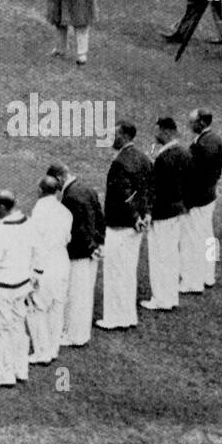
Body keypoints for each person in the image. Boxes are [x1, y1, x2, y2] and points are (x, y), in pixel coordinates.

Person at [97, 121, 153, 331]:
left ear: (123, 136)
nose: (110, 137)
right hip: (135, 226)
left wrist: (135, 216)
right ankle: (127, 315)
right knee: (127, 271)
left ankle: (114, 318)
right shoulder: (144, 158)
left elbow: (125, 194)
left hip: (121, 225)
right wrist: (145, 214)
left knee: (115, 272)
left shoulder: (120, 162)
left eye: (113, 133)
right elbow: (148, 190)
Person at [46, 163, 105, 347]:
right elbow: (99, 218)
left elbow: (79, 230)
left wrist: (89, 247)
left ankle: (75, 335)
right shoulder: (87, 189)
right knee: (84, 293)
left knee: (75, 295)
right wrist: (99, 243)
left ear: (59, 178)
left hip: (79, 253)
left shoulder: (70, 197)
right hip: (91, 250)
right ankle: (80, 333)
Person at [0, 191, 34, 386]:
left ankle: (6, 374)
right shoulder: (27, 223)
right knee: (18, 326)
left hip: (4, 287)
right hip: (22, 284)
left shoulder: (2, 231)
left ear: (2, 208)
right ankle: (21, 369)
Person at [143, 118, 192, 311]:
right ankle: (170, 296)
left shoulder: (164, 158)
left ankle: (161, 299)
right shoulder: (184, 152)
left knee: (160, 258)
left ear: (167, 132)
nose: (156, 136)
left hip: (163, 213)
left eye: (159, 132)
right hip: (176, 210)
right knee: (170, 255)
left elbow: (155, 188)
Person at [26, 176, 72, 364]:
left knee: (37, 308)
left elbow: (36, 244)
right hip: (62, 262)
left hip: (45, 264)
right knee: (57, 307)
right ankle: (53, 349)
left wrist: (35, 271)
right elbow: (67, 238)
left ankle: (41, 352)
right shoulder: (65, 211)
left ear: (40, 190)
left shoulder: (39, 211)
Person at [180, 108, 222, 294]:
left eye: (192, 122)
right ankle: (208, 275)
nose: (190, 125)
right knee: (207, 237)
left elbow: (196, 177)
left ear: (201, 123)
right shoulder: (214, 140)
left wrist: (187, 201)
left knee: (192, 240)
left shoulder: (203, 145)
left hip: (198, 200)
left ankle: (192, 281)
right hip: (208, 197)